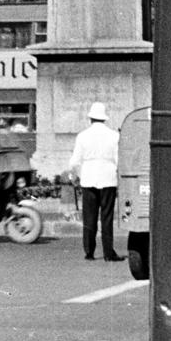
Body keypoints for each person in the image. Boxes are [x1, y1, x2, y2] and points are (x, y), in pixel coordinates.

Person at [67, 102, 122, 261]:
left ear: (90, 118)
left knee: (89, 217)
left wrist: (74, 176)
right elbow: (118, 160)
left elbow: (75, 161)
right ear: (104, 118)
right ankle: (108, 252)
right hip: (108, 177)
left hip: (89, 177)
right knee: (107, 216)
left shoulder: (82, 136)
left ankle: (89, 251)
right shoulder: (114, 135)